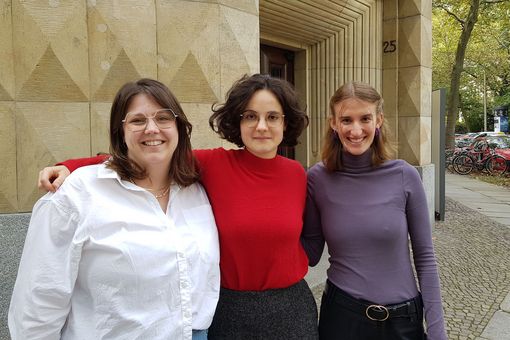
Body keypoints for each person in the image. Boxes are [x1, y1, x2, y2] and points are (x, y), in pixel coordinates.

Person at [37, 74, 319, 339]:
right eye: (250, 116)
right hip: (229, 309)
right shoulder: (213, 165)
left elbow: (305, 237)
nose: (261, 126)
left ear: (286, 123)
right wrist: (70, 166)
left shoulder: (296, 174)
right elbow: (143, 155)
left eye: (272, 117)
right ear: (237, 121)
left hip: (290, 307)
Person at [10, 79, 220, 340]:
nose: (152, 129)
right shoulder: (79, 194)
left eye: (164, 118)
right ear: (120, 131)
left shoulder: (194, 190)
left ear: (178, 126)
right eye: (137, 121)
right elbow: (40, 297)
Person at [301, 81, 447, 339]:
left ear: (378, 120)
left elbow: (425, 258)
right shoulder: (318, 178)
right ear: (333, 123)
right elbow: (310, 253)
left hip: (403, 321)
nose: (356, 130)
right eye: (346, 120)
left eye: (365, 118)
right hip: (342, 319)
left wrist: (437, 330)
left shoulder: (404, 175)